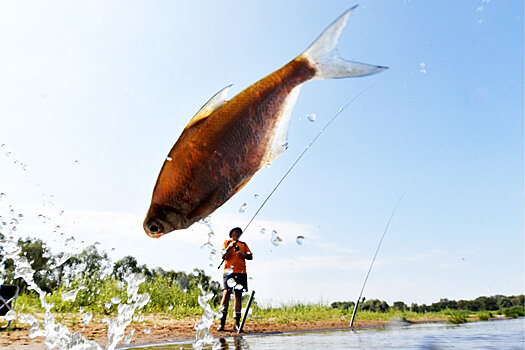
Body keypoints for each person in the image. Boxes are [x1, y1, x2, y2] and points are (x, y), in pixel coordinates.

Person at [217, 227, 253, 331]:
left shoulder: (244, 244)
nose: (237, 233)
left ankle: (236, 323)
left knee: (238, 294)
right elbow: (223, 255)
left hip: (241, 272)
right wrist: (229, 247)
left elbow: (250, 256)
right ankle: (222, 323)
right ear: (231, 233)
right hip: (229, 272)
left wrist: (243, 255)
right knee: (226, 293)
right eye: (235, 231)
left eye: (239, 232)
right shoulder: (226, 242)